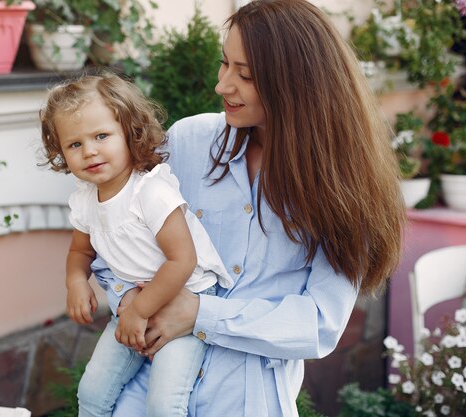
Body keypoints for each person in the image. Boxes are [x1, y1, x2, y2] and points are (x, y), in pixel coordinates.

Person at [91, 1, 407, 416]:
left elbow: (320, 323)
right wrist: (129, 299)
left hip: (243, 402)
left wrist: (202, 314)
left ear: (298, 85)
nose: (223, 85)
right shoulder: (186, 143)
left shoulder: (343, 188)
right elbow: (113, 230)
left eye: (246, 75)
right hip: (140, 395)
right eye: (225, 65)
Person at [39, 73, 233, 417]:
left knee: (163, 405)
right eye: (74, 144)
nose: (90, 151)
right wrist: (75, 282)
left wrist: (141, 311)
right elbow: (80, 251)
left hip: (184, 305)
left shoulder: (151, 192)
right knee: (92, 393)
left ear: (130, 133)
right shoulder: (85, 200)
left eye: (101, 136)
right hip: (133, 307)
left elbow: (182, 260)